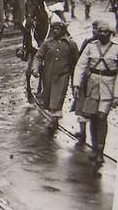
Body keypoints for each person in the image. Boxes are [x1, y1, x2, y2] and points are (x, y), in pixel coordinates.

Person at [73, 20, 118, 166]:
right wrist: (76, 85)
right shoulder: (90, 47)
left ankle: (100, 151)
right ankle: (94, 147)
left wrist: (117, 94)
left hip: (108, 88)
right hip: (92, 87)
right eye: (101, 31)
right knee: (92, 116)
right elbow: (80, 66)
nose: (103, 34)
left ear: (111, 34)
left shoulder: (116, 49)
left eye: (106, 32)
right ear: (97, 32)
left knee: (101, 117)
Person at [31, 20, 79, 134]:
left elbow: (76, 62)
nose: (55, 31)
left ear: (63, 30)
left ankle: (54, 120)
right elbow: (38, 57)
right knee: (47, 97)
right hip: (48, 76)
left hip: (63, 76)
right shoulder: (47, 43)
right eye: (53, 29)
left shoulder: (71, 44)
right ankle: (54, 118)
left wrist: (75, 78)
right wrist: (35, 69)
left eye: (58, 29)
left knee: (57, 97)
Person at [72, 20, 99, 144]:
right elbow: (80, 60)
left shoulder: (110, 46)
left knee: (96, 110)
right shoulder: (88, 42)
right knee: (81, 105)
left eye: (97, 29)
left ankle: (97, 139)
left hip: (99, 82)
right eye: (93, 29)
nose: (94, 31)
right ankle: (82, 133)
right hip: (85, 79)